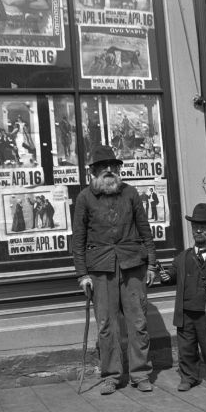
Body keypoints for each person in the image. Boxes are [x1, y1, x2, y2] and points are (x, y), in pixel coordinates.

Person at [72, 145, 157, 395]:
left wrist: (151, 263)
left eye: (113, 167)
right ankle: (111, 375)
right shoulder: (84, 198)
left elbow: (145, 229)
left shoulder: (130, 194)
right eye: (103, 167)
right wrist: (82, 274)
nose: (109, 171)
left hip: (133, 266)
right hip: (100, 269)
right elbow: (77, 240)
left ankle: (140, 374)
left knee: (138, 322)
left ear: (118, 170)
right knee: (107, 326)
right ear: (94, 171)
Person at [159, 203, 206, 392]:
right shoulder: (182, 257)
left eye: (203, 227)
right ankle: (188, 377)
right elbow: (172, 275)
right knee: (186, 348)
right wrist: (167, 277)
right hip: (186, 311)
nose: (198, 230)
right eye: (195, 227)